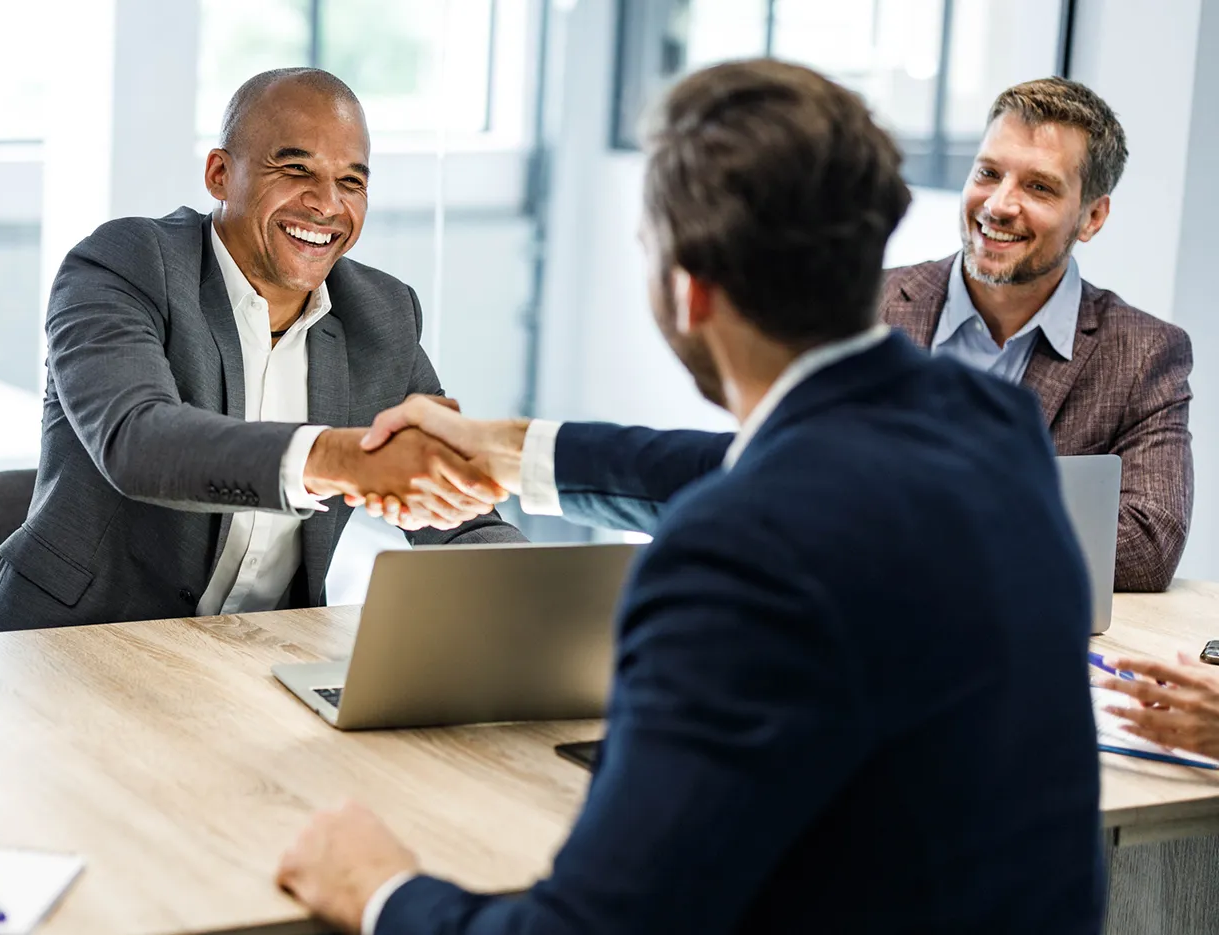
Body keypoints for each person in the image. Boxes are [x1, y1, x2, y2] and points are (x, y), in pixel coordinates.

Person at [277, 60, 1104, 934]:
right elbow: (759, 470)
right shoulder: (989, 424)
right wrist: (511, 451)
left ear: (689, 286)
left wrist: (380, 889)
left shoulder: (737, 553)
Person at [0, 67, 521, 633]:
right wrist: (341, 460)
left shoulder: (381, 314)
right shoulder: (127, 263)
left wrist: (546, 603)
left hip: (259, 662)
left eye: (352, 182)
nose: (327, 205)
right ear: (219, 174)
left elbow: (453, 509)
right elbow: (138, 440)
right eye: (296, 169)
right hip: (73, 649)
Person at [880, 77, 1191, 592]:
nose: (999, 205)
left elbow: (1148, 543)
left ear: (1092, 216)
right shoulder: (871, 307)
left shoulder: (1143, 352)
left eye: (1039, 186)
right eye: (988, 173)